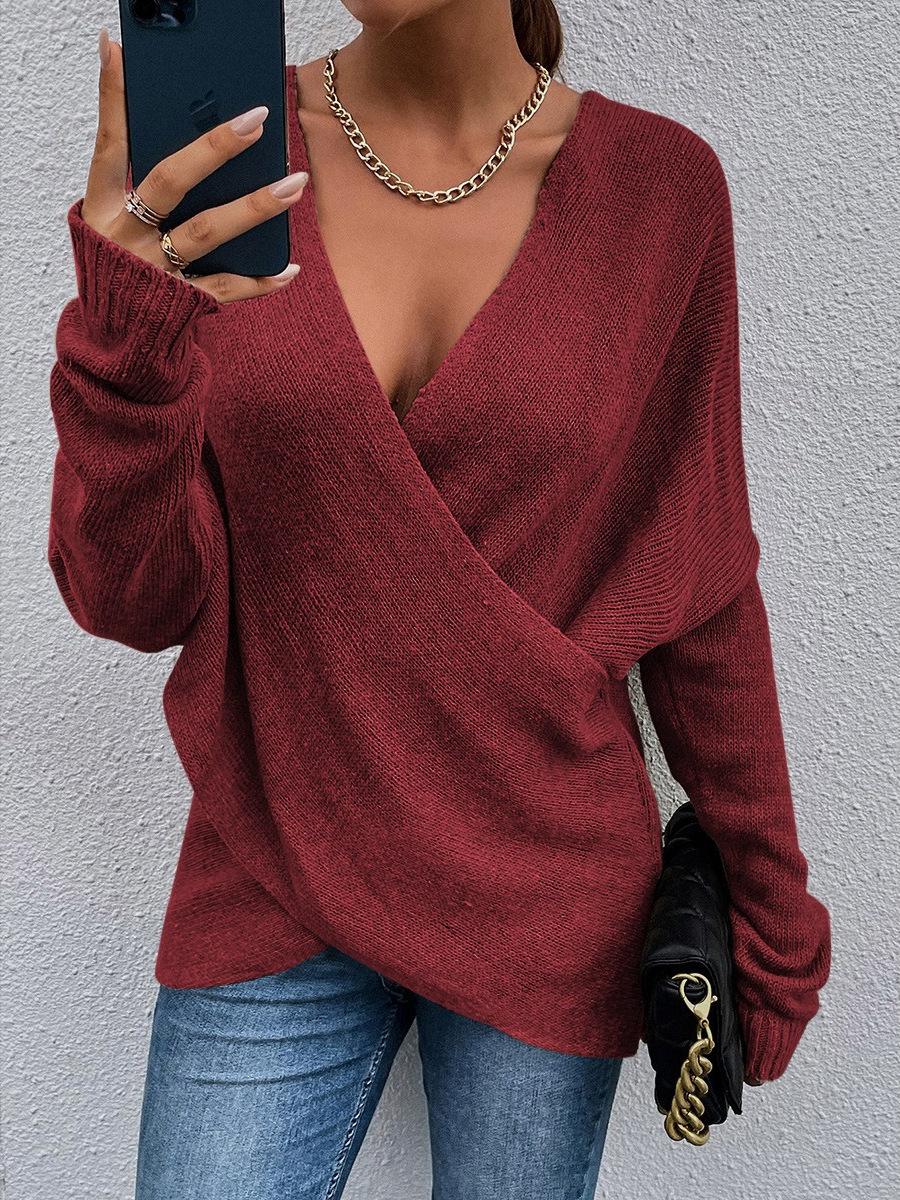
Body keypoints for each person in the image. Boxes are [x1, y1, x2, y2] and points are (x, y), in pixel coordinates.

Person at [46, 2, 832, 1196]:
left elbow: (698, 584)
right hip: (271, 861)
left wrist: (772, 910)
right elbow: (130, 602)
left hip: (546, 891)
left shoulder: (660, 194)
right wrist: (124, 352)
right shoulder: (222, 154)